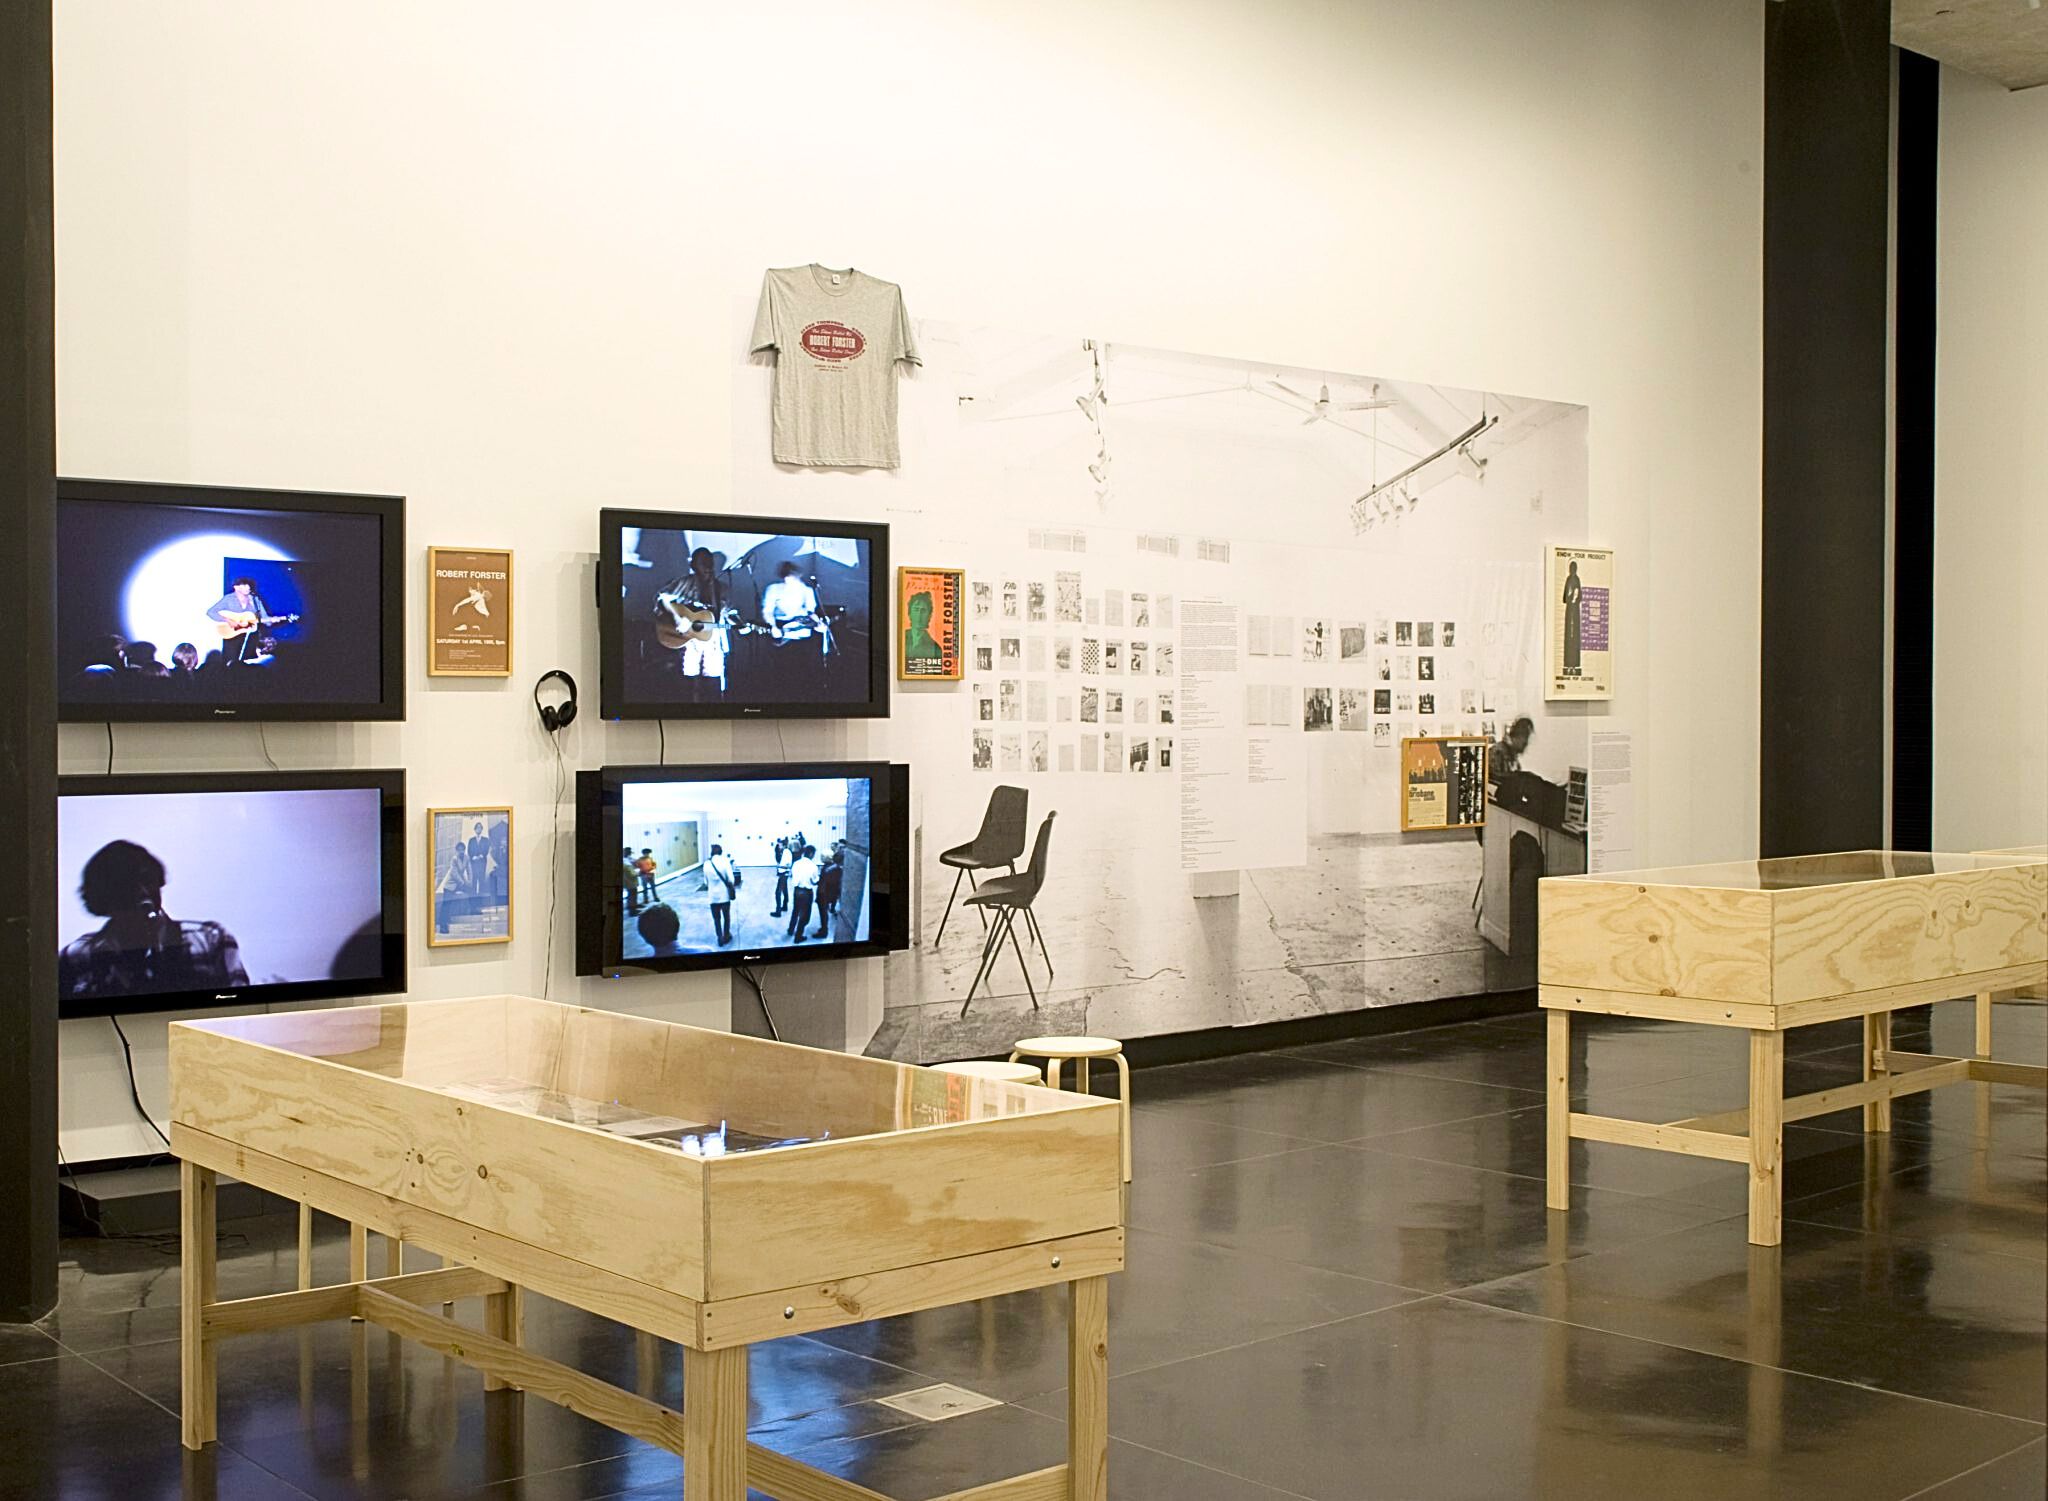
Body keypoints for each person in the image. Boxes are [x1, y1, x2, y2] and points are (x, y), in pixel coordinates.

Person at [58, 840, 249, 1002]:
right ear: (106, 896)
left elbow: (239, 1008)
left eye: (148, 880)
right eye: (127, 885)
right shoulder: (75, 957)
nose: (143, 893)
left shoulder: (210, 939)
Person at [657, 547, 730, 700]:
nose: (708, 567)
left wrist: (741, 625)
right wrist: (678, 618)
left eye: (709, 563)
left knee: (713, 681)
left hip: (713, 639)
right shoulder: (685, 582)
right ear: (694, 566)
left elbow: (727, 613)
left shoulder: (720, 588)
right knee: (689, 681)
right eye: (703, 563)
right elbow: (663, 597)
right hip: (687, 639)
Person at [206, 576, 293, 664]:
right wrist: (228, 620)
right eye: (244, 585)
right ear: (236, 587)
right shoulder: (229, 599)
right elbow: (211, 612)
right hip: (231, 637)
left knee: (248, 663)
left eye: (248, 585)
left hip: (250, 638)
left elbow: (265, 619)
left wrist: (276, 619)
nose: (248, 587)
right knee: (230, 662)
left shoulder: (255, 600)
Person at [704, 842, 739, 945]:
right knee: (726, 917)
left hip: (712, 897)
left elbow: (705, 882)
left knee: (716, 919)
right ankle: (726, 935)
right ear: (721, 852)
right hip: (724, 896)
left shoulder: (707, 864)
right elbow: (731, 880)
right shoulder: (725, 862)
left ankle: (719, 938)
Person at [786, 843, 820, 942]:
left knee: (795, 911)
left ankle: (790, 930)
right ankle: (798, 936)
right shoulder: (813, 866)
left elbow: (792, 876)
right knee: (804, 915)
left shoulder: (796, 863)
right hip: (806, 892)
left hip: (797, 890)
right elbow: (814, 881)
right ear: (811, 854)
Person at [812, 844, 844, 939]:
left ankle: (824, 931)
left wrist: (819, 897)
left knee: (823, 914)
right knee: (825, 914)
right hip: (831, 894)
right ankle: (823, 929)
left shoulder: (826, 869)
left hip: (824, 895)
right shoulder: (836, 867)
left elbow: (822, 884)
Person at [903, 590, 941, 664]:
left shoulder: (935, 648)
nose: (919, 615)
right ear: (909, 613)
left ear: (929, 616)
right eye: (916, 610)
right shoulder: (900, 637)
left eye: (923, 611)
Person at [1492, 716, 1534, 781]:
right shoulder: (1497, 752)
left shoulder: (1512, 755)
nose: (1527, 743)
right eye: (1525, 738)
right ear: (1518, 736)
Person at [1561, 561, 1583, 672]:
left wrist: (1574, 599)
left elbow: (1579, 596)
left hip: (1574, 609)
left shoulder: (1576, 580)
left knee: (1574, 636)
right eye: (1571, 567)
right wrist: (1570, 598)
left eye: (1574, 568)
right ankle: (1569, 664)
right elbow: (1565, 597)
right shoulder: (1569, 579)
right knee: (1569, 635)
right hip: (1570, 609)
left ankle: (1574, 664)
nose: (1572, 570)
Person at [772, 837, 792, 916]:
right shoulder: (785, 851)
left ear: (783, 845)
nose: (778, 846)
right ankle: (785, 906)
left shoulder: (786, 852)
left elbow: (787, 865)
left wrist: (779, 867)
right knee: (785, 890)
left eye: (779, 845)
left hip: (784, 873)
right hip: (784, 873)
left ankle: (778, 911)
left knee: (778, 892)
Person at [621, 845, 642, 915]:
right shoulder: (625, 863)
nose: (630, 855)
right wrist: (639, 872)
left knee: (631, 895)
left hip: (629, 882)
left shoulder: (626, 859)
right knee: (632, 896)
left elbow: (633, 860)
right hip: (630, 882)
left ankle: (634, 906)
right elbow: (631, 874)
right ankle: (632, 911)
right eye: (629, 853)